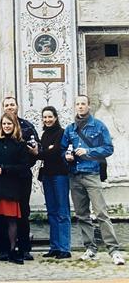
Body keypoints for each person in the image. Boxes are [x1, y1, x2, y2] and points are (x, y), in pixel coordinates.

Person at [61, 95, 125, 265]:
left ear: (88, 106)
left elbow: (108, 148)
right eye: (78, 104)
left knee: (101, 213)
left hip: (92, 174)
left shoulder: (98, 125)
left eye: (83, 104)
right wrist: (66, 156)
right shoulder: (70, 129)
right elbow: (62, 149)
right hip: (75, 176)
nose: (80, 107)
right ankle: (90, 249)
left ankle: (114, 250)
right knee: (82, 215)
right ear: (75, 107)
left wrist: (89, 152)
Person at [0, 97, 40, 260]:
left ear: (17, 106)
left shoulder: (27, 127)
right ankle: (1, 249)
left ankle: (23, 248)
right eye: (6, 105)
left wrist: (36, 152)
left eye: (12, 104)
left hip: (19, 180)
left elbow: (32, 154)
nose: (10, 107)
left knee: (21, 214)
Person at [36, 106, 71, 259]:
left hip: (60, 175)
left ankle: (65, 248)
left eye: (50, 117)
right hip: (48, 175)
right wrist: (44, 152)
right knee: (51, 212)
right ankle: (54, 246)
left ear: (56, 117)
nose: (47, 120)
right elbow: (44, 153)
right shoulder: (44, 134)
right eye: (45, 117)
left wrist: (42, 153)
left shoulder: (62, 133)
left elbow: (56, 152)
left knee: (62, 211)